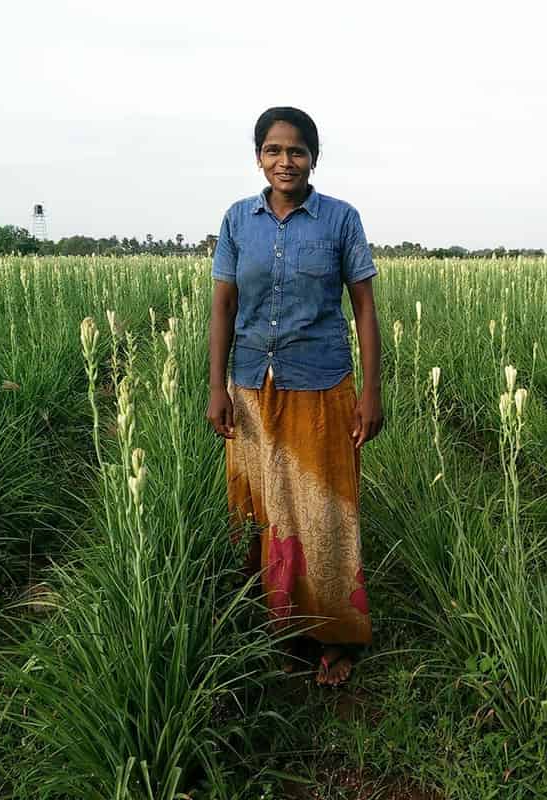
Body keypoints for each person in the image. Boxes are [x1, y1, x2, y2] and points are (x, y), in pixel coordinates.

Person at [206, 107, 384, 687]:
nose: (286, 161)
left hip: (324, 384)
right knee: (266, 510)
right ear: (259, 156)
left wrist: (371, 392)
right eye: (274, 150)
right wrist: (217, 387)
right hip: (253, 387)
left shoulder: (340, 220)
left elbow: (363, 307)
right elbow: (225, 307)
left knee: (326, 513)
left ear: (313, 157)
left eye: (298, 150)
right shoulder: (238, 221)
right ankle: (281, 629)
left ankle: (334, 637)